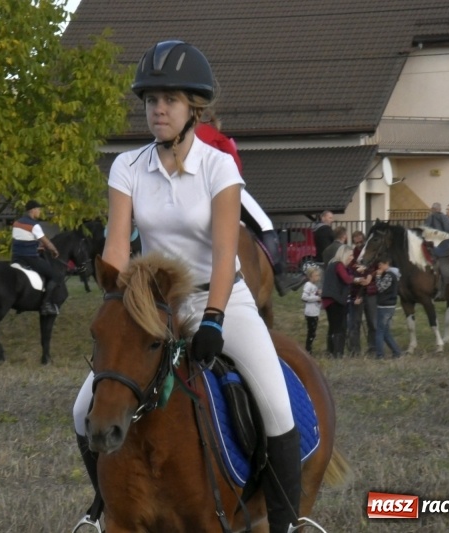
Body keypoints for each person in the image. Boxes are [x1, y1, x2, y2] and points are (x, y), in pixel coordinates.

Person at [71, 40, 304, 533]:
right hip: (155, 304)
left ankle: (287, 525)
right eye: (151, 101)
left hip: (222, 296)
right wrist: (115, 300)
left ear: (193, 109)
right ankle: (102, 509)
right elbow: (117, 246)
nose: (158, 109)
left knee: (277, 407)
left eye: (169, 100)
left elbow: (225, 254)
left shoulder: (219, 168)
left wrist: (215, 319)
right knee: (81, 410)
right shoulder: (127, 167)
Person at [195, 122, 303, 296]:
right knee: (265, 225)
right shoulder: (214, 135)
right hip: (219, 185)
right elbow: (234, 164)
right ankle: (282, 277)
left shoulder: (182, 133)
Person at [11, 200, 62, 316]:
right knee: (55, 275)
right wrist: (54, 250)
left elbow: (23, 240)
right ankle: (46, 304)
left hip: (16, 257)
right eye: (38, 209)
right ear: (32, 210)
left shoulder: (16, 223)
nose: (39, 212)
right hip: (29, 258)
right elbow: (46, 242)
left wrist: (36, 246)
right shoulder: (34, 225)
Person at [321, 245, 369, 357]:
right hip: (335, 300)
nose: (352, 258)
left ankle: (331, 351)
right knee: (339, 326)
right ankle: (338, 352)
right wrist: (357, 279)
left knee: (333, 326)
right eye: (351, 255)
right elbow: (346, 279)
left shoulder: (332, 265)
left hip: (329, 299)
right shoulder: (338, 265)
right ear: (345, 254)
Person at [347, 230, 376, 355]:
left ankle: (372, 348)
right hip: (356, 290)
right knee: (355, 323)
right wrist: (358, 280)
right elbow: (349, 269)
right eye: (356, 241)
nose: (359, 243)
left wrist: (370, 276)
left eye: (360, 241)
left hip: (370, 291)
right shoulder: (352, 254)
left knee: (372, 322)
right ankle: (355, 350)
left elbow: (376, 267)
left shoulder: (371, 252)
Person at [373, 255, 403, 359]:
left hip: (385, 305)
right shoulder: (391, 274)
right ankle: (396, 351)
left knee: (380, 331)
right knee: (385, 331)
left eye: (381, 264)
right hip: (389, 305)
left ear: (386, 264)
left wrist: (377, 276)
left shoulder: (389, 275)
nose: (379, 267)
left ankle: (380, 354)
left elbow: (381, 288)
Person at [301, 265, 322, 354]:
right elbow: (304, 297)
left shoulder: (314, 286)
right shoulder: (308, 285)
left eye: (318, 275)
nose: (318, 278)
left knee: (313, 332)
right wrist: (317, 298)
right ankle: (308, 349)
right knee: (311, 331)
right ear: (310, 276)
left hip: (315, 312)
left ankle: (309, 348)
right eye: (316, 276)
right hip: (310, 312)